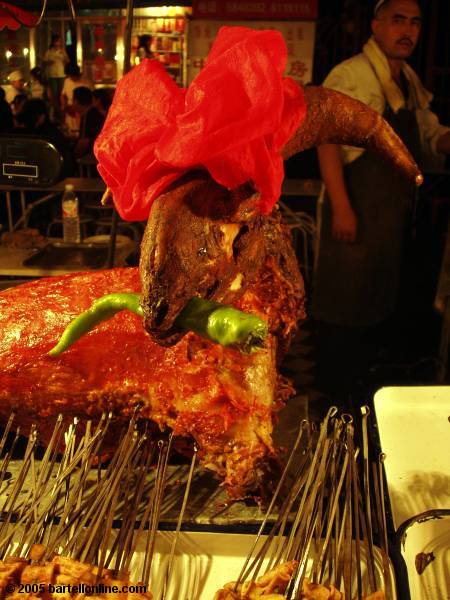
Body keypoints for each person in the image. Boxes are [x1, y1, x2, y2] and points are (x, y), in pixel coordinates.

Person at [313, 0, 450, 403]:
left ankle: (364, 402)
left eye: (415, 23)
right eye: (397, 21)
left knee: (375, 307)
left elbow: (429, 137)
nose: (406, 30)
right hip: (354, 210)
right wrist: (341, 205)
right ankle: (330, 406)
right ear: (376, 26)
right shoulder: (351, 74)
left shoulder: (406, 79)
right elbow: (327, 140)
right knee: (343, 308)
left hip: (387, 220)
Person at [72, 86, 104, 159]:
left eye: (72, 100)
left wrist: (72, 157)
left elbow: (84, 143)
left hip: (92, 158)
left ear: (76, 101)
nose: (72, 104)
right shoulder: (92, 112)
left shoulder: (89, 115)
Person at [61, 63, 93, 137]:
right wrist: (64, 106)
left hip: (81, 111)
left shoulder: (87, 82)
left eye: (72, 76)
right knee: (70, 132)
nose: (71, 78)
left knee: (81, 131)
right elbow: (63, 95)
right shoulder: (67, 81)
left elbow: (91, 100)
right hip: (69, 110)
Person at [43, 34, 69, 121]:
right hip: (52, 75)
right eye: (57, 41)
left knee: (60, 94)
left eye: (60, 41)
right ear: (54, 42)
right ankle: (56, 112)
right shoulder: (49, 51)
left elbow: (67, 61)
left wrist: (63, 57)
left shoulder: (62, 51)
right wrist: (49, 62)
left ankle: (61, 112)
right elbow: (45, 62)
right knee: (54, 94)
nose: (59, 43)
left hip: (61, 74)